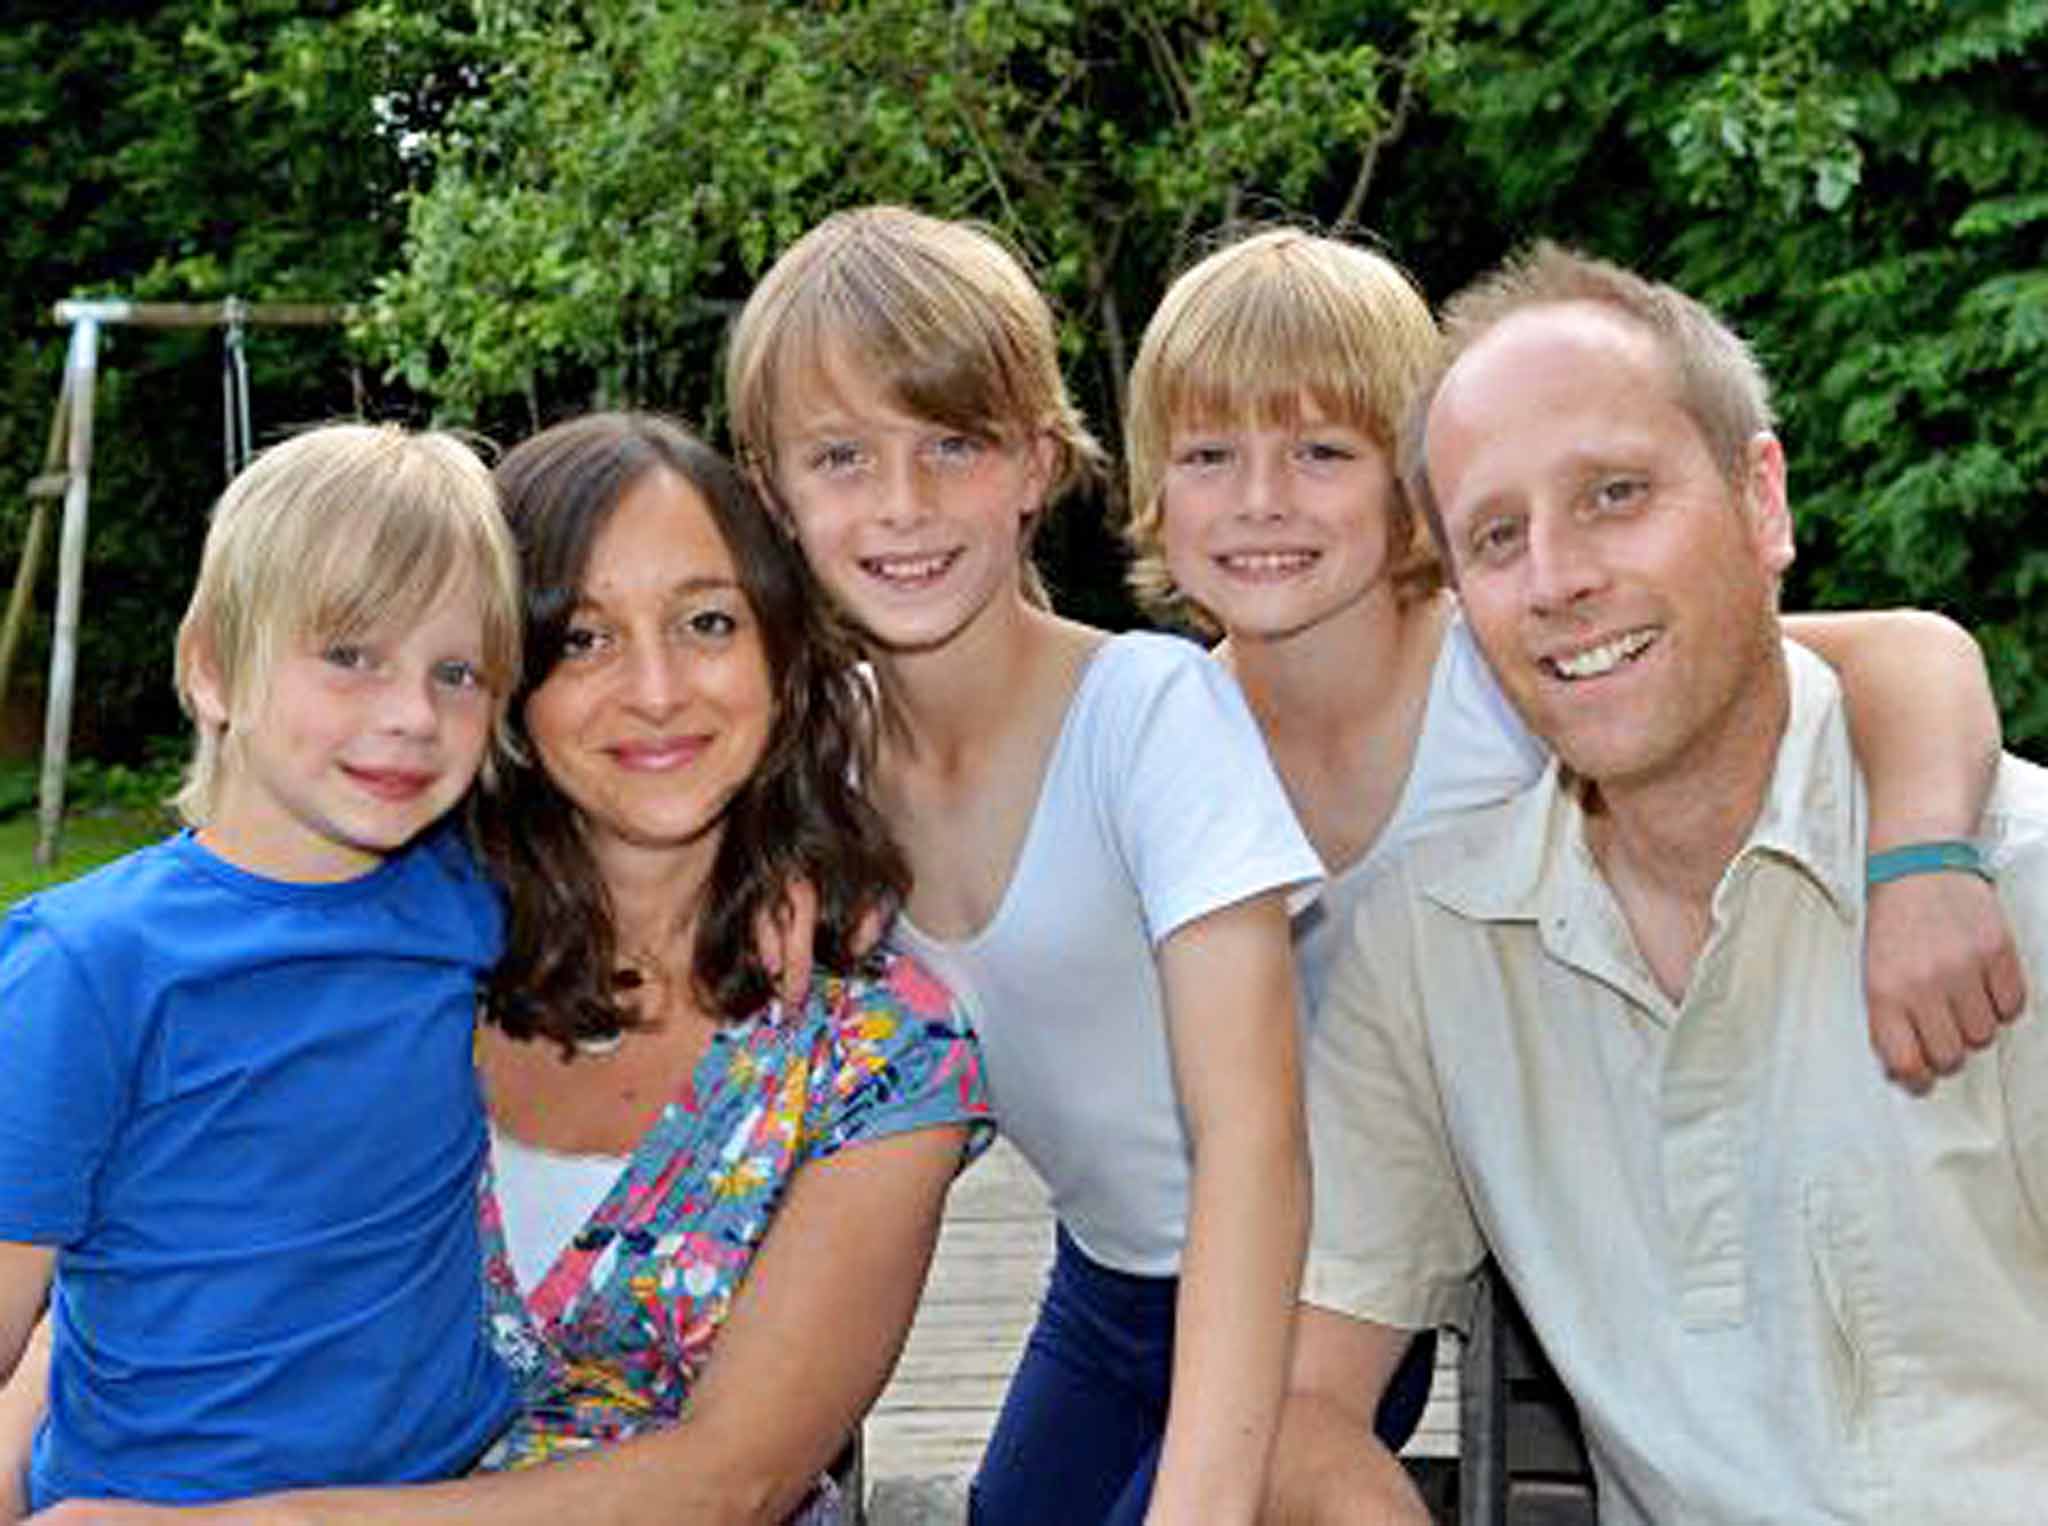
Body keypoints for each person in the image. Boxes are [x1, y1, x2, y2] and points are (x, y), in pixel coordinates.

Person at [12, 413, 993, 1526]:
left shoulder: (870, 1047)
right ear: (514, 688)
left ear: (778, 655)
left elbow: (737, 1478)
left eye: (708, 621)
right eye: (581, 638)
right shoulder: (399, 936)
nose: (659, 689)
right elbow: (147, 1262)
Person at [1267, 244, 2048, 1523]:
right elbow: (1295, 1405)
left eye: (1615, 493)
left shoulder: (2003, 876)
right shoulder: (1434, 951)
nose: (1558, 577)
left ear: (1761, 502)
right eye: (1496, 536)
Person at [727, 207, 1321, 1526]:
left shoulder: (1150, 713)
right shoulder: (820, 762)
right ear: (772, 492)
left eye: (954, 442)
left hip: (1290, 1286)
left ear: (1037, 462)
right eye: (842, 455)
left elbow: (1253, 1136)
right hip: (1103, 1290)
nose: (902, 503)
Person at [1122, 225, 2022, 1093]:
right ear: (1153, 480)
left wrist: (1922, 864)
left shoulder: (1519, 659)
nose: (1262, 500)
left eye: (1322, 451)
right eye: (1207, 455)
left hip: (1566, 1167)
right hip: (1299, 1205)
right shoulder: (1158, 734)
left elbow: (1912, 651)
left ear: (1415, 487)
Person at [0, 425, 525, 1511]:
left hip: (440, 1490)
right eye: (349, 654)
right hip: (154, 1501)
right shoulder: (90, 964)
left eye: (456, 670)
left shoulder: (473, 903)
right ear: (212, 667)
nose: (410, 714)